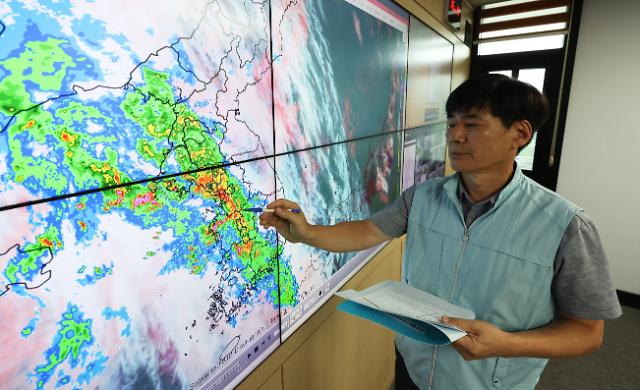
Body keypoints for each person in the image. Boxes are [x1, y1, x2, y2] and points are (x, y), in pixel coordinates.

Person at [259, 74, 621, 389]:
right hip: (413, 367)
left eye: (472, 125)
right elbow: (366, 231)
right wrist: (307, 233)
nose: (456, 136)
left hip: (489, 382)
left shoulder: (566, 225)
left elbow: (587, 332)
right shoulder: (423, 196)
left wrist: (505, 344)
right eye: (451, 124)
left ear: (520, 133)